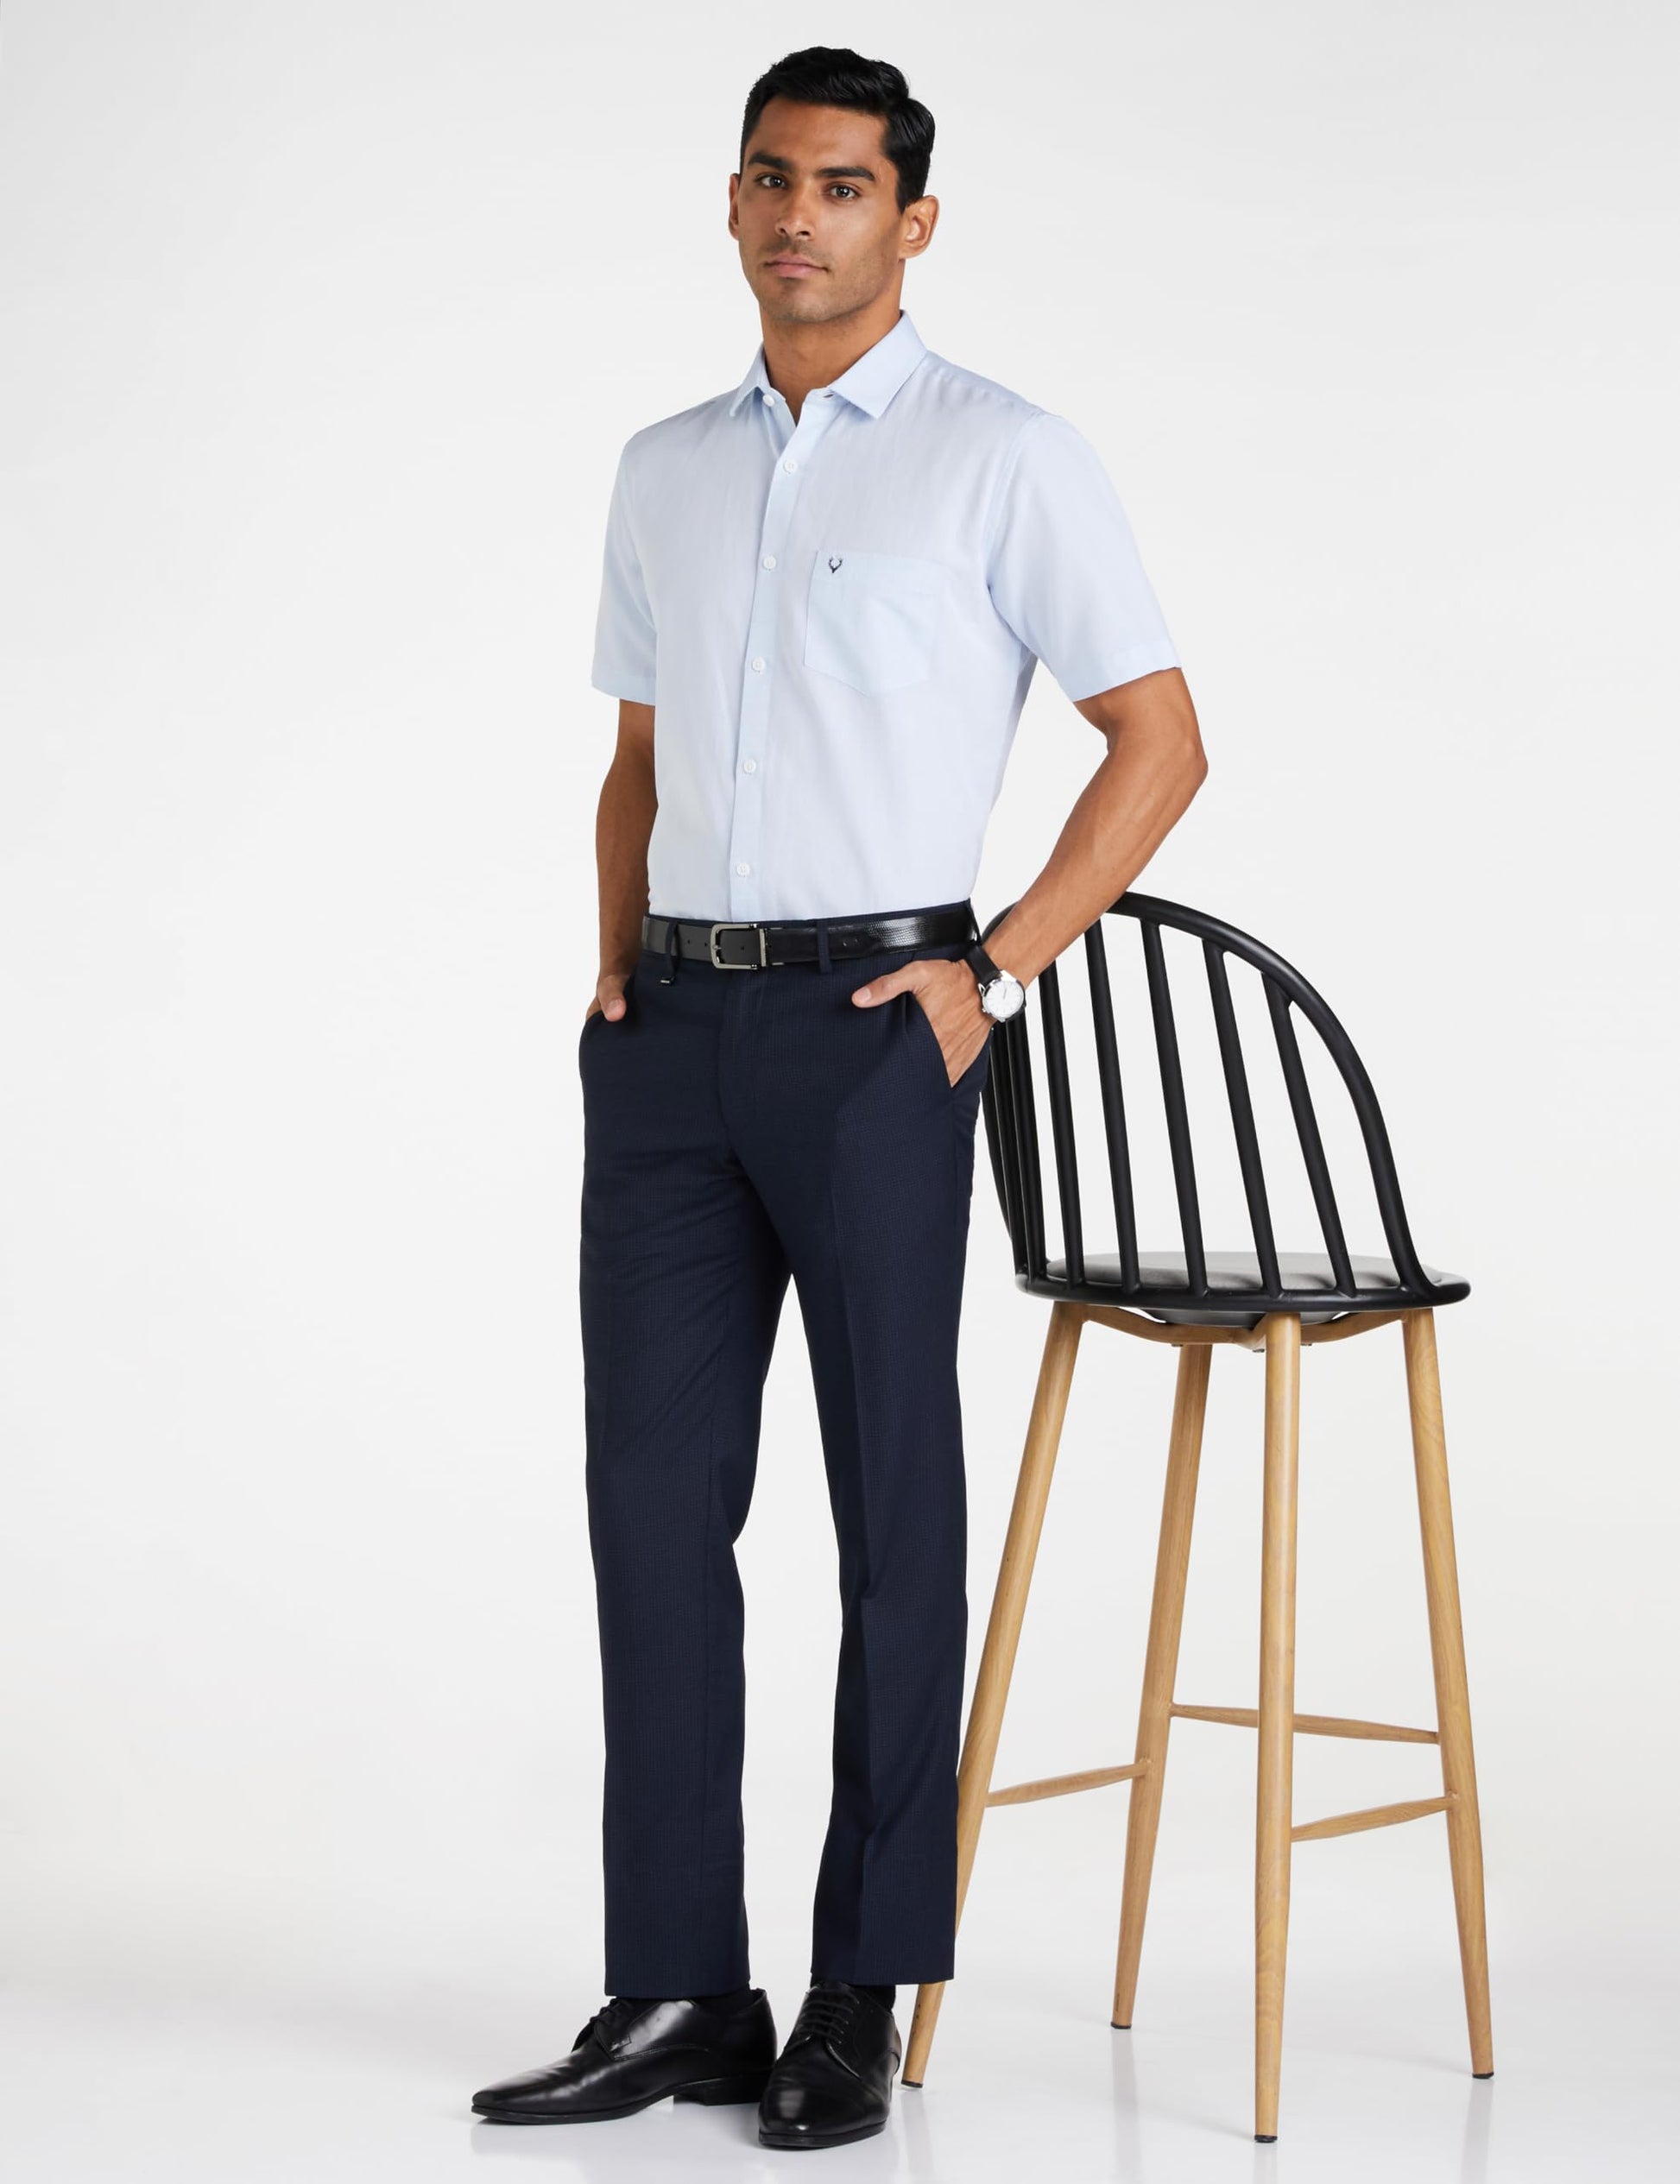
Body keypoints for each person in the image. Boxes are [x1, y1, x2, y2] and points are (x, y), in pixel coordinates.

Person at [471, 43, 1206, 2151]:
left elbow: (1159, 738)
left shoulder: (1003, 456)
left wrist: (996, 968)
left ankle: (860, 1985)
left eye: (846, 184)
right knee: (649, 1507)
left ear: (913, 219)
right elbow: (635, 755)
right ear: (731, 203)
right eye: (772, 180)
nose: (801, 215)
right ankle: (683, 1983)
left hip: (884, 1027)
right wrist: (613, 963)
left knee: (892, 1514)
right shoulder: (663, 468)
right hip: (669, 1045)